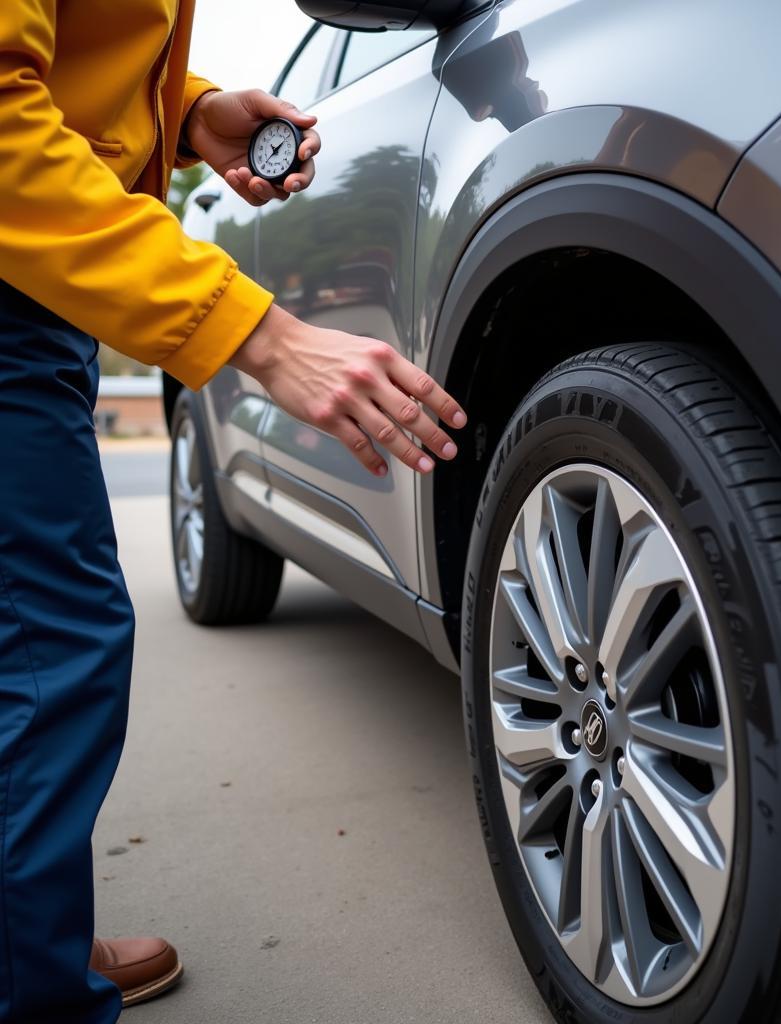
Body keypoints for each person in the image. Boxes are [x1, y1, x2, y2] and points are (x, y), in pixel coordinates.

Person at [0, 2, 466, 1020]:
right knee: (48, 641)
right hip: (17, 265)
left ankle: (29, 936)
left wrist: (190, 110)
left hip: (43, 265)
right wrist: (256, 333)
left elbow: (75, 39)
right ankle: (30, 985)